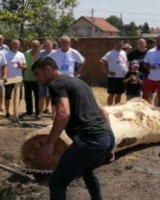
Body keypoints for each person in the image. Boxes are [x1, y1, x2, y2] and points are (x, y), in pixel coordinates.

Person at [32, 57, 114, 200]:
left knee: (57, 182)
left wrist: (49, 144)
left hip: (90, 141)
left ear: (48, 70)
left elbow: (63, 113)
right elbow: (103, 113)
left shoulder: (56, 84)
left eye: (37, 74)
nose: (37, 79)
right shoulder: (79, 82)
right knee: (87, 171)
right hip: (106, 137)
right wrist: (109, 145)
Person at [100, 40, 128, 105]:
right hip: (113, 77)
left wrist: (126, 69)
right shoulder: (110, 53)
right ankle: (109, 107)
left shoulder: (124, 52)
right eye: (117, 44)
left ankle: (116, 107)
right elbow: (102, 61)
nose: (119, 46)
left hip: (122, 76)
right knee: (112, 93)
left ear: (122, 45)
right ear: (114, 45)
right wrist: (107, 71)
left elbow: (126, 62)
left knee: (119, 93)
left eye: (120, 44)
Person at [4, 39, 27, 118]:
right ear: (11, 45)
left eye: (17, 44)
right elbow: (4, 66)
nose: (15, 46)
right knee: (7, 96)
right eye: (14, 44)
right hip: (9, 79)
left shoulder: (21, 54)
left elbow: (25, 66)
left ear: (19, 45)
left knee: (19, 96)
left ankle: (16, 111)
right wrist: (5, 75)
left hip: (18, 79)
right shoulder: (6, 54)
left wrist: (21, 66)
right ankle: (7, 112)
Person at [24, 39, 41, 118]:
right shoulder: (26, 53)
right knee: (28, 97)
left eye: (36, 46)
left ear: (39, 46)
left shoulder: (41, 54)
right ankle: (29, 111)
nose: (34, 47)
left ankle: (38, 112)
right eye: (33, 45)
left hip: (37, 80)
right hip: (27, 78)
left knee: (38, 97)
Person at [39, 39, 55, 114]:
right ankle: (40, 113)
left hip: (52, 77)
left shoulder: (56, 53)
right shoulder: (41, 53)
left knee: (52, 95)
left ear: (52, 45)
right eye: (45, 45)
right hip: (43, 77)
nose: (47, 47)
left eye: (48, 45)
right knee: (41, 95)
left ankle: (53, 113)